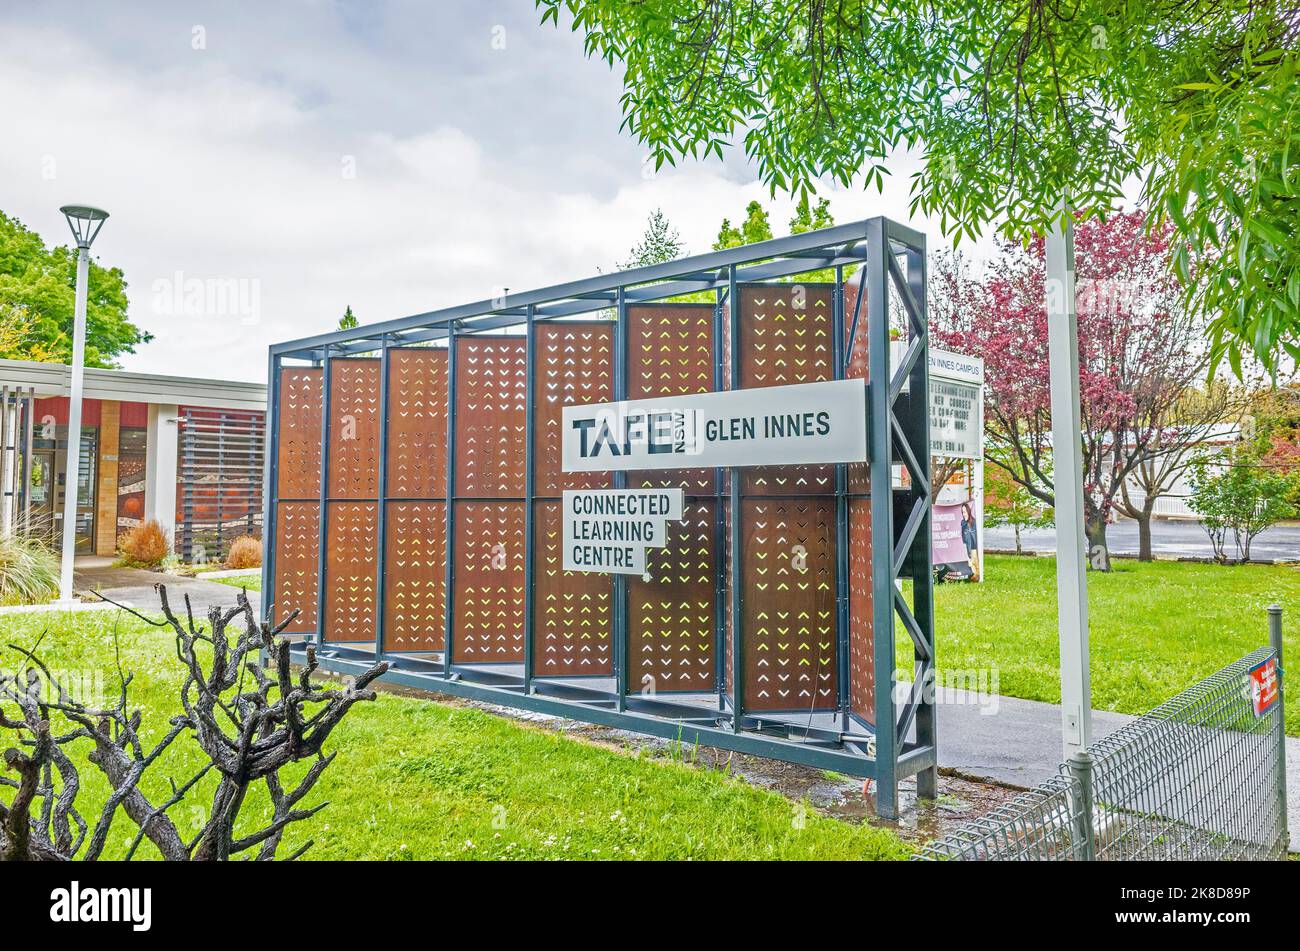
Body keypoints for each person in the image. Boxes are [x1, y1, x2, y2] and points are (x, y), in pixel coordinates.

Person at [960, 501, 980, 581]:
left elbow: (975, 535)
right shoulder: (963, 522)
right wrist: (965, 520)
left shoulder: (974, 522)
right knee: (970, 563)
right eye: (962, 512)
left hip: (974, 546)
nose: (964, 514)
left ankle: (977, 577)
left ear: (968, 511)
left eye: (965, 511)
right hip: (967, 546)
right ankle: (974, 578)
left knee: (975, 562)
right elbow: (963, 535)